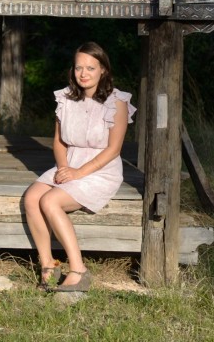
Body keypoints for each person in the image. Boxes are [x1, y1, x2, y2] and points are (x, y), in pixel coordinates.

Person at [23, 41, 136, 293]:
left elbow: (113, 150)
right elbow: (59, 141)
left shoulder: (116, 103)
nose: (83, 74)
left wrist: (77, 174)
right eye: (78, 68)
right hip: (69, 162)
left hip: (99, 170)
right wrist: (64, 168)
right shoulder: (64, 99)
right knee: (32, 198)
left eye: (90, 68)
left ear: (103, 70)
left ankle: (78, 269)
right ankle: (48, 267)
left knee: (50, 201)